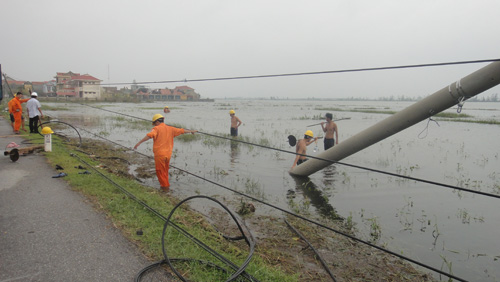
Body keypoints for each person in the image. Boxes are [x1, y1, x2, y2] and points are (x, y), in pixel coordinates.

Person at [133, 114, 197, 192]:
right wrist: (191, 131)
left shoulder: (156, 128)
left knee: (160, 171)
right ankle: (167, 185)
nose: (154, 124)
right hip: (168, 154)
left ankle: (165, 188)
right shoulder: (171, 128)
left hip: (160, 154)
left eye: (154, 123)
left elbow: (150, 135)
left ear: (157, 121)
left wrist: (139, 143)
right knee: (165, 170)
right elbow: (182, 130)